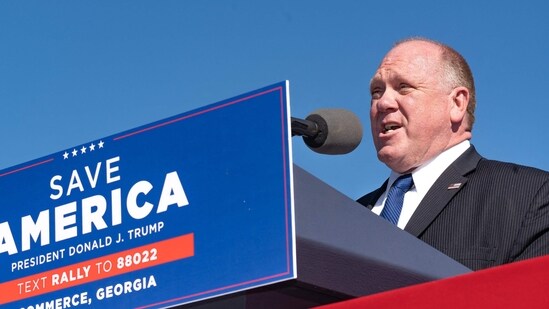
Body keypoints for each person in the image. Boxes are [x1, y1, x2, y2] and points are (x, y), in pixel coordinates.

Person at [357, 37, 549, 271]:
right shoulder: (350, 217)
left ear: (457, 103)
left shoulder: (530, 195)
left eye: (403, 87)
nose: (383, 102)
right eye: (376, 92)